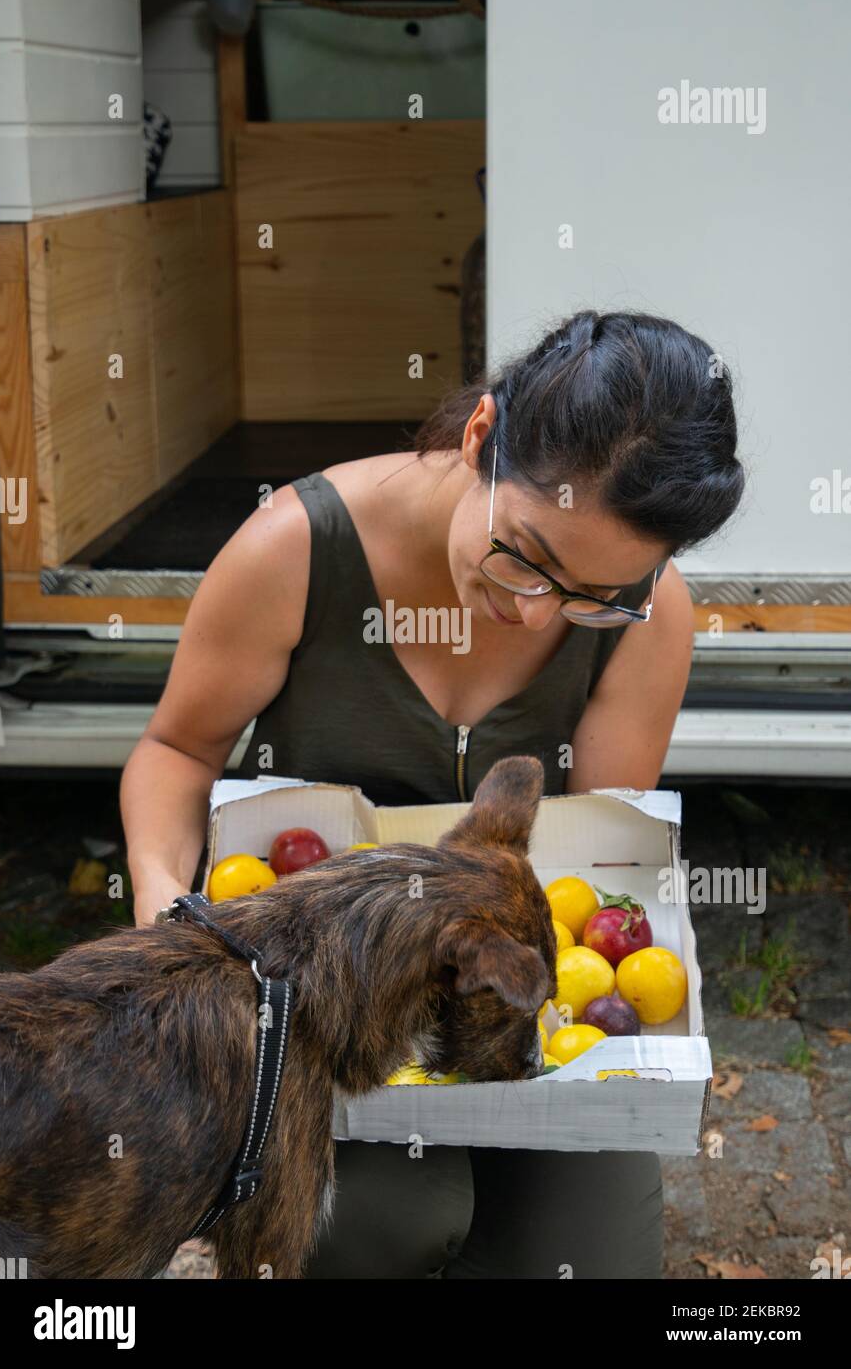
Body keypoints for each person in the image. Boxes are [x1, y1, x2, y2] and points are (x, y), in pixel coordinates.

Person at [121, 308, 744, 1278]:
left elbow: (589, 844)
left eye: (591, 593)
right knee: (369, 1229)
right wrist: (168, 912)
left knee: (583, 1261)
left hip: (515, 992)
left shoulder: (646, 616)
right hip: (318, 991)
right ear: (482, 435)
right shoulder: (293, 548)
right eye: (528, 552)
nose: (538, 608)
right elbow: (173, 750)